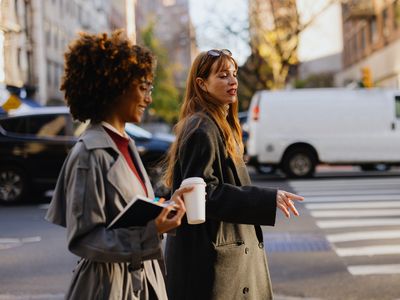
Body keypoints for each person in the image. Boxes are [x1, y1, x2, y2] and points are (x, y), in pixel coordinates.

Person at [45, 30, 190, 300]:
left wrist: (166, 206)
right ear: (116, 86)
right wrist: (152, 231)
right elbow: (84, 238)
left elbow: (127, 212)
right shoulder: (89, 153)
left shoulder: (126, 144)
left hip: (141, 280)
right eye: (143, 87)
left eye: (150, 88)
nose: (149, 98)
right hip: (109, 288)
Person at [163, 49, 304, 300]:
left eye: (234, 74)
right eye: (223, 75)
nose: (233, 81)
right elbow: (203, 193)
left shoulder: (217, 123)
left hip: (224, 258)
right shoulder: (201, 128)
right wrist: (266, 198)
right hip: (211, 265)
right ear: (202, 84)